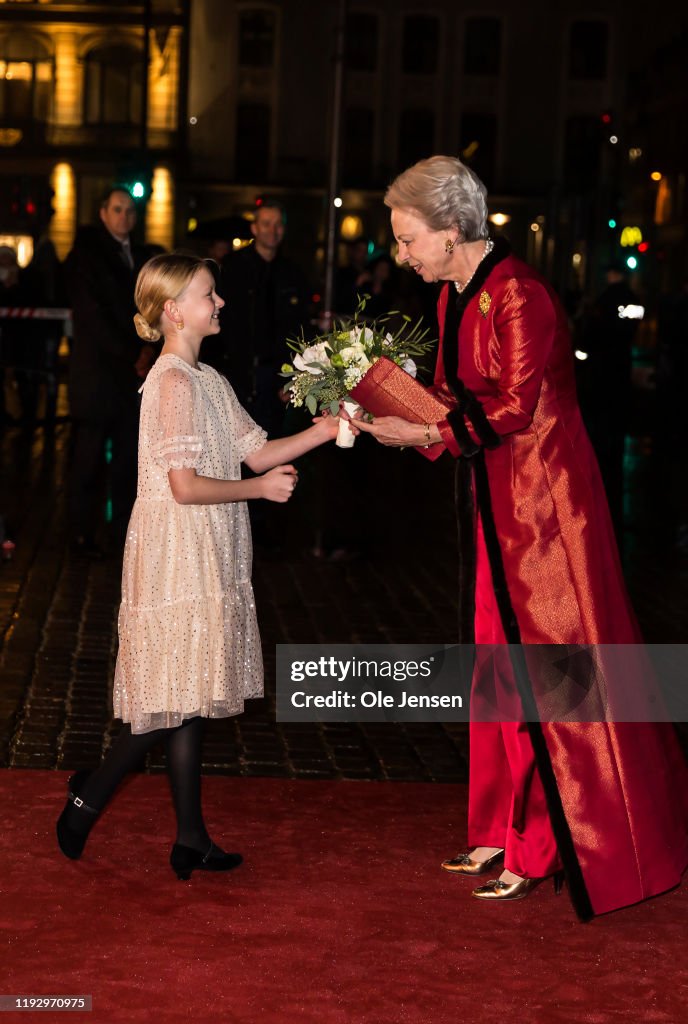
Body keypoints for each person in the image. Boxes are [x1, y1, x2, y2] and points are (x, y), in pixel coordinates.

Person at [349, 155, 688, 919]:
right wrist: (376, 393)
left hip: (546, 511)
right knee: (493, 668)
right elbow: (450, 397)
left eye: (408, 239)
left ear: (451, 229)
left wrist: (419, 431)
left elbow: (511, 408)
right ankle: (500, 828)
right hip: (495, 498)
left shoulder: (520, 295)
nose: (401, 254)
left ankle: (540, 850)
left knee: (549, 674)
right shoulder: (453, 296)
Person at [56, 253, 339, 878]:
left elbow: (258, 451)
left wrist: (327, 429)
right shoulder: (172, 383)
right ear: (173, 310)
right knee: (168, 697)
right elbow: (183, 486)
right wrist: (258, 494)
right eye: (209, 295)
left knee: (187, 696)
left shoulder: (207, 378)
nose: (220, 304)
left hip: (208, 542)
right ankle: (88, 796)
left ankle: (190, 837)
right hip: (176, 545)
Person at [64, 186, 156, 554]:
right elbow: (93, 317)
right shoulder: (85, 256)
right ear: (103, 213)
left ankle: (121, 532)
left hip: (131, 377)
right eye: (117, 210)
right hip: (98, 375)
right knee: (87, 460)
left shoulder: (142, 255)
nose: (124, 217)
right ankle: (80, 533)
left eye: (129, 211)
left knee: (127, 461)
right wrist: (133, 354)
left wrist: (149, 348)